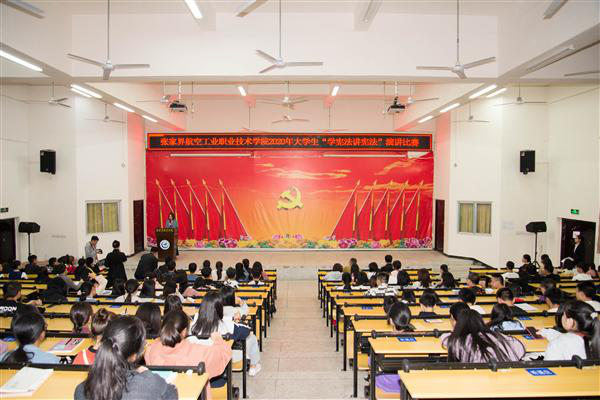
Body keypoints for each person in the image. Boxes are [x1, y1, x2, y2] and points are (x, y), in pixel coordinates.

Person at [74, 316, 178, 400]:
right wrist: (148, 374)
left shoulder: (81, 390)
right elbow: (172, 393)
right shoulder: (149, 384)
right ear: (134, 356)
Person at [145, 309, 232, 387]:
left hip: (161, 395)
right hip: (195, 395)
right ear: (184, 332)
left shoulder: (151, 349)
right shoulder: (199, 352)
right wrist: (218, 340)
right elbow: (222, 354)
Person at [441, 307, 525, 362]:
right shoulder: (497, 336)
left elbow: (444, 338)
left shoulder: (459, 341)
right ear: (480, 322)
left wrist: (455, 331)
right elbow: (520, 347)